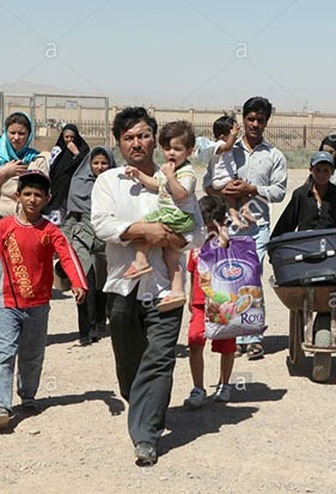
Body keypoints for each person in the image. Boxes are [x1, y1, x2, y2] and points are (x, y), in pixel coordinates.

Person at [91, 107, 205, 466]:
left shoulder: (178, 179)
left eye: (143, 135)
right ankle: (140, 401)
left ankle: (146, 436)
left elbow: (198, 231)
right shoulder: (108, 181)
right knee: (129, 365)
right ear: (119, 144)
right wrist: (142, 231)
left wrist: (170, 236)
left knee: (159, 360)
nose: (136, 143)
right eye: (128, 138)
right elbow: (101, 225)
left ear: (154, 139)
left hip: (164, 292)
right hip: (123, 286)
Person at [0, 170, 87, 429]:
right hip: (7, 303)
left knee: (33, 355)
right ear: (18, 196)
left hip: (38, 305)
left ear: (47, 198)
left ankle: (28, 395)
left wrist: (78, 283)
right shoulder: (4, 227)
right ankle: (3, 406)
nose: (33, 199)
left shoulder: (50, 231)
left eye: (39, 195)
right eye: (27, 194)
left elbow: (68, 256)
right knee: (4, 353)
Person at [205, 96, 287, 360]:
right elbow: (208, 183)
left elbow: (279, 191)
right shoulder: (225, 148)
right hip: (227, 226)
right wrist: (222, 189)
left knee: (251, 277)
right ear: (243, 120)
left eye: (260, 120)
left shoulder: (274, 155)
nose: (254, 124)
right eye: (250, 119)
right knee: (227, 278)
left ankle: (253, 337)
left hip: (258, 226)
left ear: (266, 123)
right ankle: (231, 335)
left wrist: (252, 189)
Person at [123, 121, 199, 312]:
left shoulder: (186, 172)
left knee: (143, 226)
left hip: (176, 215)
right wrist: (139, 175)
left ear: (189, 151)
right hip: (172, 214)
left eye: (177, 149)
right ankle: (177, 291)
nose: (171, 153)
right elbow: (157, 185)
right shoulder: (169, 170)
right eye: (167, 148)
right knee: (171, 255)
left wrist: (170, 176)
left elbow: (181, 194)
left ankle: (141, 261)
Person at [183, 196, 236, 409]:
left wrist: (222, 227)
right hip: (198, 301)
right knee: (195, 341)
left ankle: (225, 384)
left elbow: (224, 247)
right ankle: (198, 387)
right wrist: (189, 297)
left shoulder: (223, 240)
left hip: (220, 301)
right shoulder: (196, 244)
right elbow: (191, 271)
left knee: (225, 345)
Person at [61, 146, 117, 345]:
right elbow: (70, 215)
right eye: (96, 163)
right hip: (82, 237)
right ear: (89, 164)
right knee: (86, 282)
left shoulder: (116, 184)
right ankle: (87, 329)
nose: (100, 167)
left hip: (106, 238)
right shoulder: (78, 182)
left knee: (104, 283)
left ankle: (101, 320)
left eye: (104, 163)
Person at [272, 151, 336, 237]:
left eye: (325, 170)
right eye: (318, 170)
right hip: (306, 244)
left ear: (332, 172)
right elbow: (287, 223)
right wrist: (276, 243)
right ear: (311, 170)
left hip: (331, 244)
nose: (321, 174)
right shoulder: (301, 195)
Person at [198, 115, 247, 231]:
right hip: (222, 180)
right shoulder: (218, 146)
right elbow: (228, 145)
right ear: (222, 137)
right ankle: (237, 217)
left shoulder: (228, 147)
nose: (235, 138)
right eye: (230, 135)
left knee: (234, 199)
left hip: (225, 179)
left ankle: (236, 218)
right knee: (237, 195)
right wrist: (233, 135)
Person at [0, 112, 49, 218]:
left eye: (21, 133)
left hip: (27, 220)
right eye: (12, 133)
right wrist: (4, 172)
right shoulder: (1, 159)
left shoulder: (37, 160)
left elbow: (41, 192)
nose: (16, 138)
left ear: (29, 135)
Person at [45, 124, 90, 224]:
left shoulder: (83, 149)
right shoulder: (57, 150)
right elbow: (51, 168)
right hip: (57, 188)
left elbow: (86, 164)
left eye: (72, 137)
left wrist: (76, 153)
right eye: (67, 137)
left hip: (73, 188)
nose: (69, 140)